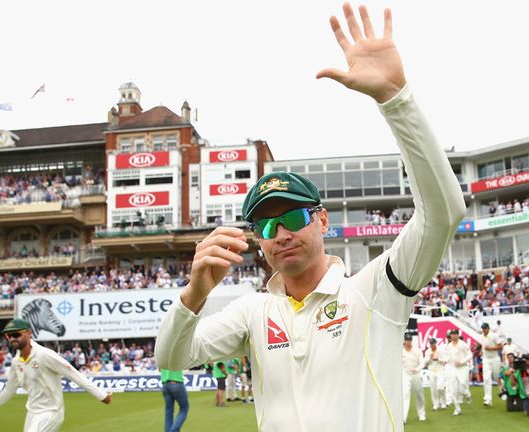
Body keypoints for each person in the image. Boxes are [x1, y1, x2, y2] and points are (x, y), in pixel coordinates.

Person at [155, 3, 465, 431]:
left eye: (293, 217)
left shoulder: (376, 290)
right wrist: (193, 295)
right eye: (266, 225)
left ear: (321, 220)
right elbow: (172, 359)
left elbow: (442, 214)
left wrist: (397, 99)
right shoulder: (254, 312)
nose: (280, 232)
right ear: (258, 244)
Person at [0, 319, 111, 432]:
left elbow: (73, 373)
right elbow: (8, 390)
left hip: (51, 411)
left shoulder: (44, 355)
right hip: (32, 412)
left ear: (29, 333)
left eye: (16, 334)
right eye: (8, 336)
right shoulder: (16, 362)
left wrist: (101, 395)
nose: (12, 339)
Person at [442, 330, 472, 416]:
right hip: (452, 369)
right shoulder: (449, 346)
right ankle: (457, 408)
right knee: (453, 389)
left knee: (462, 385)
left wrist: (462, 361)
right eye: (452, 335)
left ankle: (467, 394)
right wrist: (445, 361)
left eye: (455, 334)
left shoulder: (463, 344)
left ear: (458, 335)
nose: (454, 336)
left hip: (463, 368)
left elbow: (470, 355)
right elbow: (447, 356)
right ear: (450, 336)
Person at [402, 334, 426, 422]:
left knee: (419, 394)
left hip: (416, 374)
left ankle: (422, 414)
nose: (408, 342)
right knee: (405, 395)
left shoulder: (417, 351)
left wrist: (416, 369)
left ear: (411, 341)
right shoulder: (401, 351)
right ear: (404, 341)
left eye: (410, 340)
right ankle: (403, 417)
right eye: (407, 340)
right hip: (405, 375)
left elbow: (422, 363)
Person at [479, 322, 504, 407]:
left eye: (485, 328)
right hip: (486, 360)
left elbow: (501, 346)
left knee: (497, 377)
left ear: (488, 328)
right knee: (486, 378)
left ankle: (503, 391)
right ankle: (487, 399)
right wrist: (481, 352)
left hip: (495, 359)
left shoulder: (494, 336)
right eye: (483, 329)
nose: (484, 330)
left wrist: (491, 348)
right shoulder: (481, 336)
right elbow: (483, 347)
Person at [424, 338, 447, 410]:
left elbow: (445, 360)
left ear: (435, 343)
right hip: (431, 370)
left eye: (433, 343)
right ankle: (436, 404)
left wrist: (438, 359)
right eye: (431, 344)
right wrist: (430, 359)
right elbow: (425, 363)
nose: (432, 345)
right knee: (433, 388)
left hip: (440, 370)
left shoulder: (440, 350)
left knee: (440, 387)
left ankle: (443, 402)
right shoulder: (427, 351)